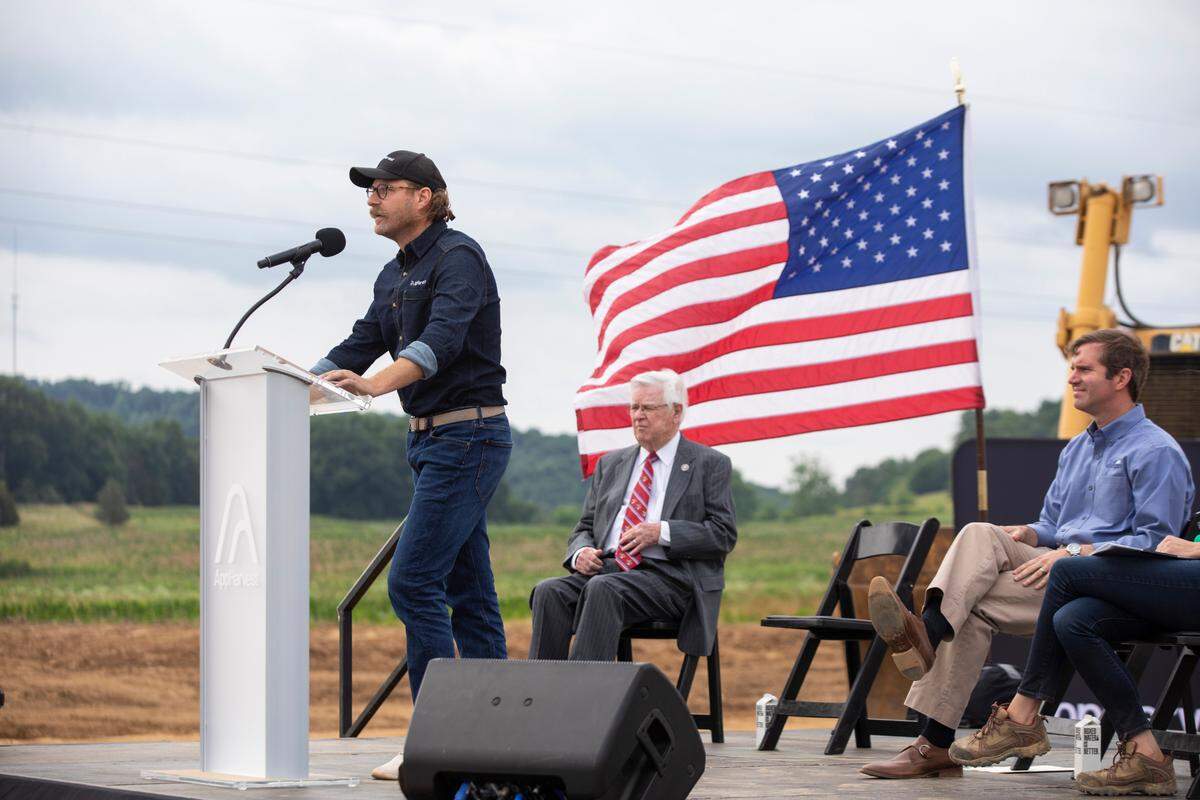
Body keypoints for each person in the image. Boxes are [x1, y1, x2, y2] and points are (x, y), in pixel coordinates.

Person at [860, 328, 1194, 779]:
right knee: (982, 535)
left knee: (973, 606)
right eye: (1071, 369)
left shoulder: (1157, 451)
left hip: (1109, 590)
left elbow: (1158, 544)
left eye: (1082, 369)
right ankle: (933, 717)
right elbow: (1053, 524)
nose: (1071, 378)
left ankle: (928, 652)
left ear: (1122, 377)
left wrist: (1075, 551)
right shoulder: (1077, 447)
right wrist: (1030, 533)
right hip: (1058, 573)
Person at [311, 150, 510, 781]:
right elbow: (357, 344)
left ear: (423, 197)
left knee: (412, 582)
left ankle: (435, 738)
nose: (371, 198)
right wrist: (292, 381)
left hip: (468, 439)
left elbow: (438, 345)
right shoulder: (393, 276)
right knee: (469, 594)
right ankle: (496, 735)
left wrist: (371, 387)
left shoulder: (459, 258)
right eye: (369, 190)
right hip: (429, 445)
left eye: (384, 188)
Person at [947, 539, 1200, 796]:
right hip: (1179, 580)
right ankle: (1146, 754)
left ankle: (1021, 716)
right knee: (1072, 620)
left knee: (1066, 570)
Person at [528, 369, 736, 664]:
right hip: (609, 569)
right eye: (634, 407)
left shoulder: (709, 464)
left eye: (648, 408)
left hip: (671, 579)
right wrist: (580, 552)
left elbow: (723, 534)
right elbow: (585, 527)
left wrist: (661, 532)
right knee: (549, 592)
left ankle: (581, 699)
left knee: (603, 589)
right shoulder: (611, 464)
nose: (638, 416)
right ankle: (539, 696)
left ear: (676, 412)